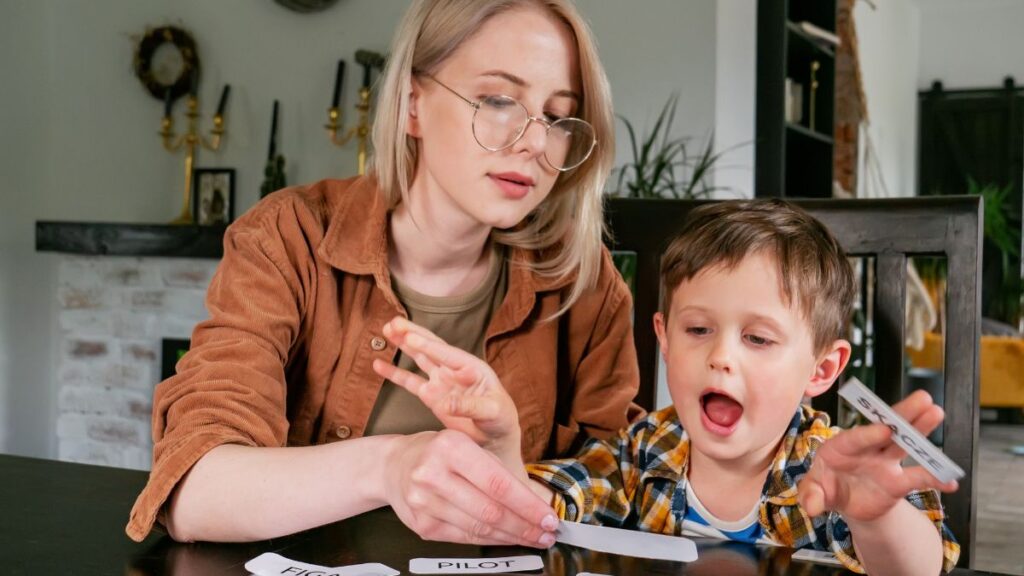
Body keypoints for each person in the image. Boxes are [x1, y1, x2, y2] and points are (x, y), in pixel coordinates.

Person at [126, 0, 642, 546]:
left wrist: (512, 465)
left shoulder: (585, 285)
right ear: (412, 104)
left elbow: (627, 497)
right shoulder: (287, 238)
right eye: (497, 100)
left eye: (559, 117)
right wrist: (390, 467)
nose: (536, 143)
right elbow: (193, 492)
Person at [375, 199, 961, 575]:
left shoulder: (831, 470)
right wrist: (502, 442)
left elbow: (918, 569)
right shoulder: (643, 452)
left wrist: (876, 515)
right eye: (698, 329)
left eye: (758, 339)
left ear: (821, 370)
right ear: (664, 337)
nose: (720, 357)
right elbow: (544, 516)